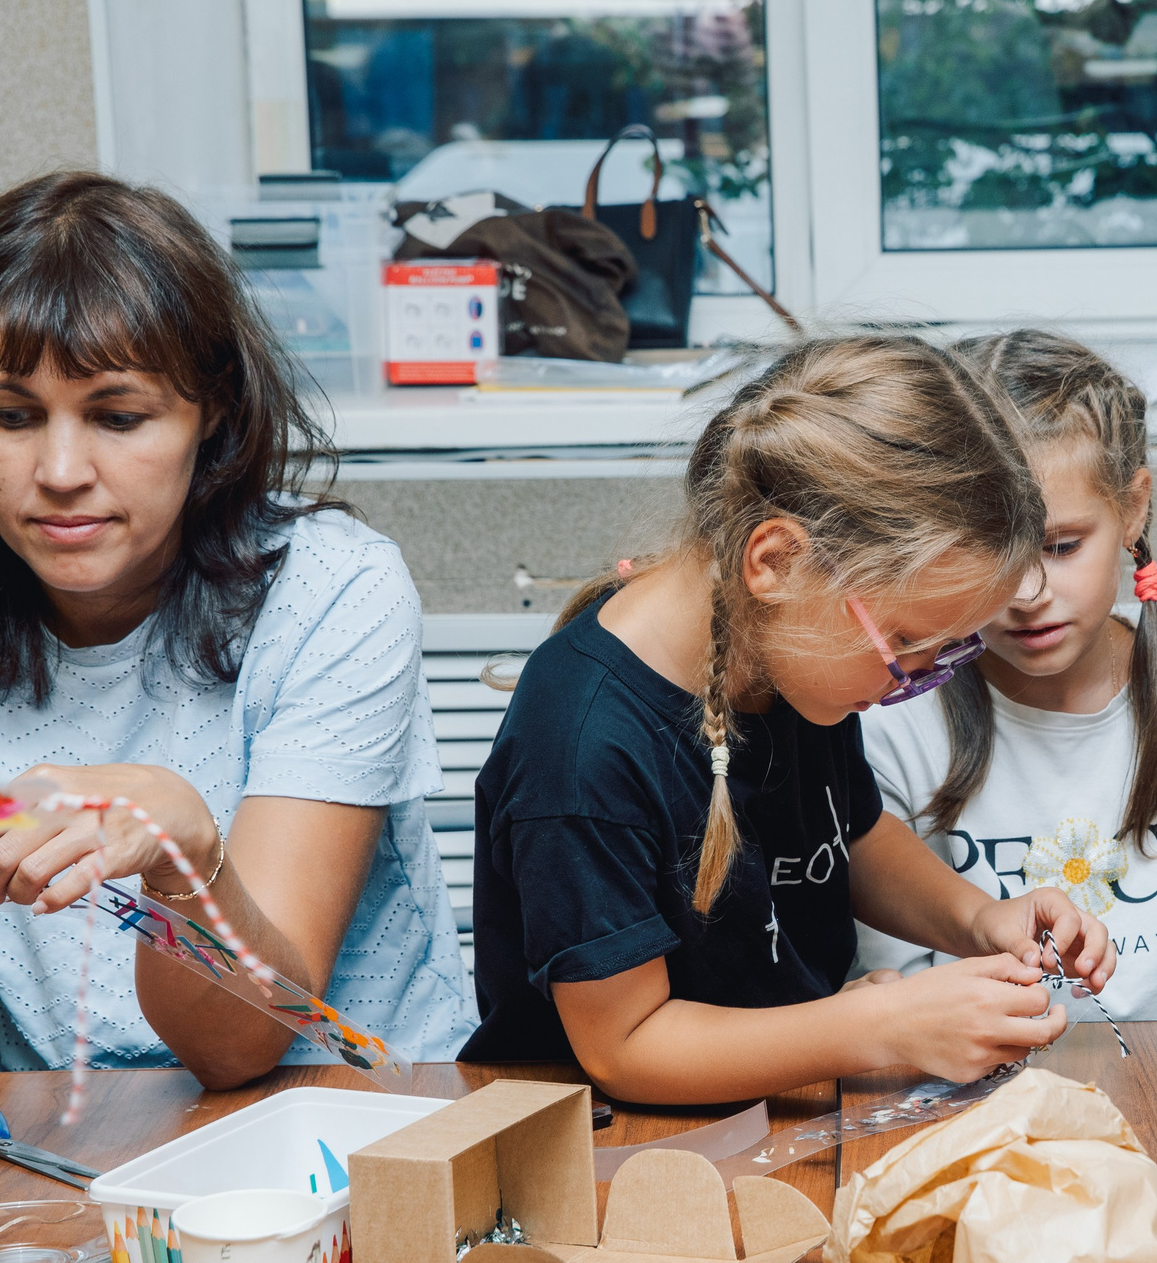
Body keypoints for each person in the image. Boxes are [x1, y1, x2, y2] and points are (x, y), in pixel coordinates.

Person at [0, 173, 473, 1084]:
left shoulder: (331, 589)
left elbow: (241, 1045)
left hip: (361, 1110)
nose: (61, 470)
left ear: (214, 411)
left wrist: (184, 863)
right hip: (75, 1132)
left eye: (119, 416)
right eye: (11, 416)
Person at [461, 335, 1113, 1100]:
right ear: (774, 562)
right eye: (905, 643)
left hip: (781, 1106)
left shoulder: (792, 654)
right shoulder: (580, 747)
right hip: (607, 1140)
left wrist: (980, 920)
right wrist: (880, 1026)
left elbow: (851, 836)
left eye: (944, 650)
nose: (914, 680)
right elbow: (624, 1048)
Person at [856, 330, 1157, 1020]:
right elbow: (893, 1011)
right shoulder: (891, 724)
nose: (1028, 593)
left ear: (1132, 511)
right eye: (994, 552)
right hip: (971, 1089)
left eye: (1060, 546)